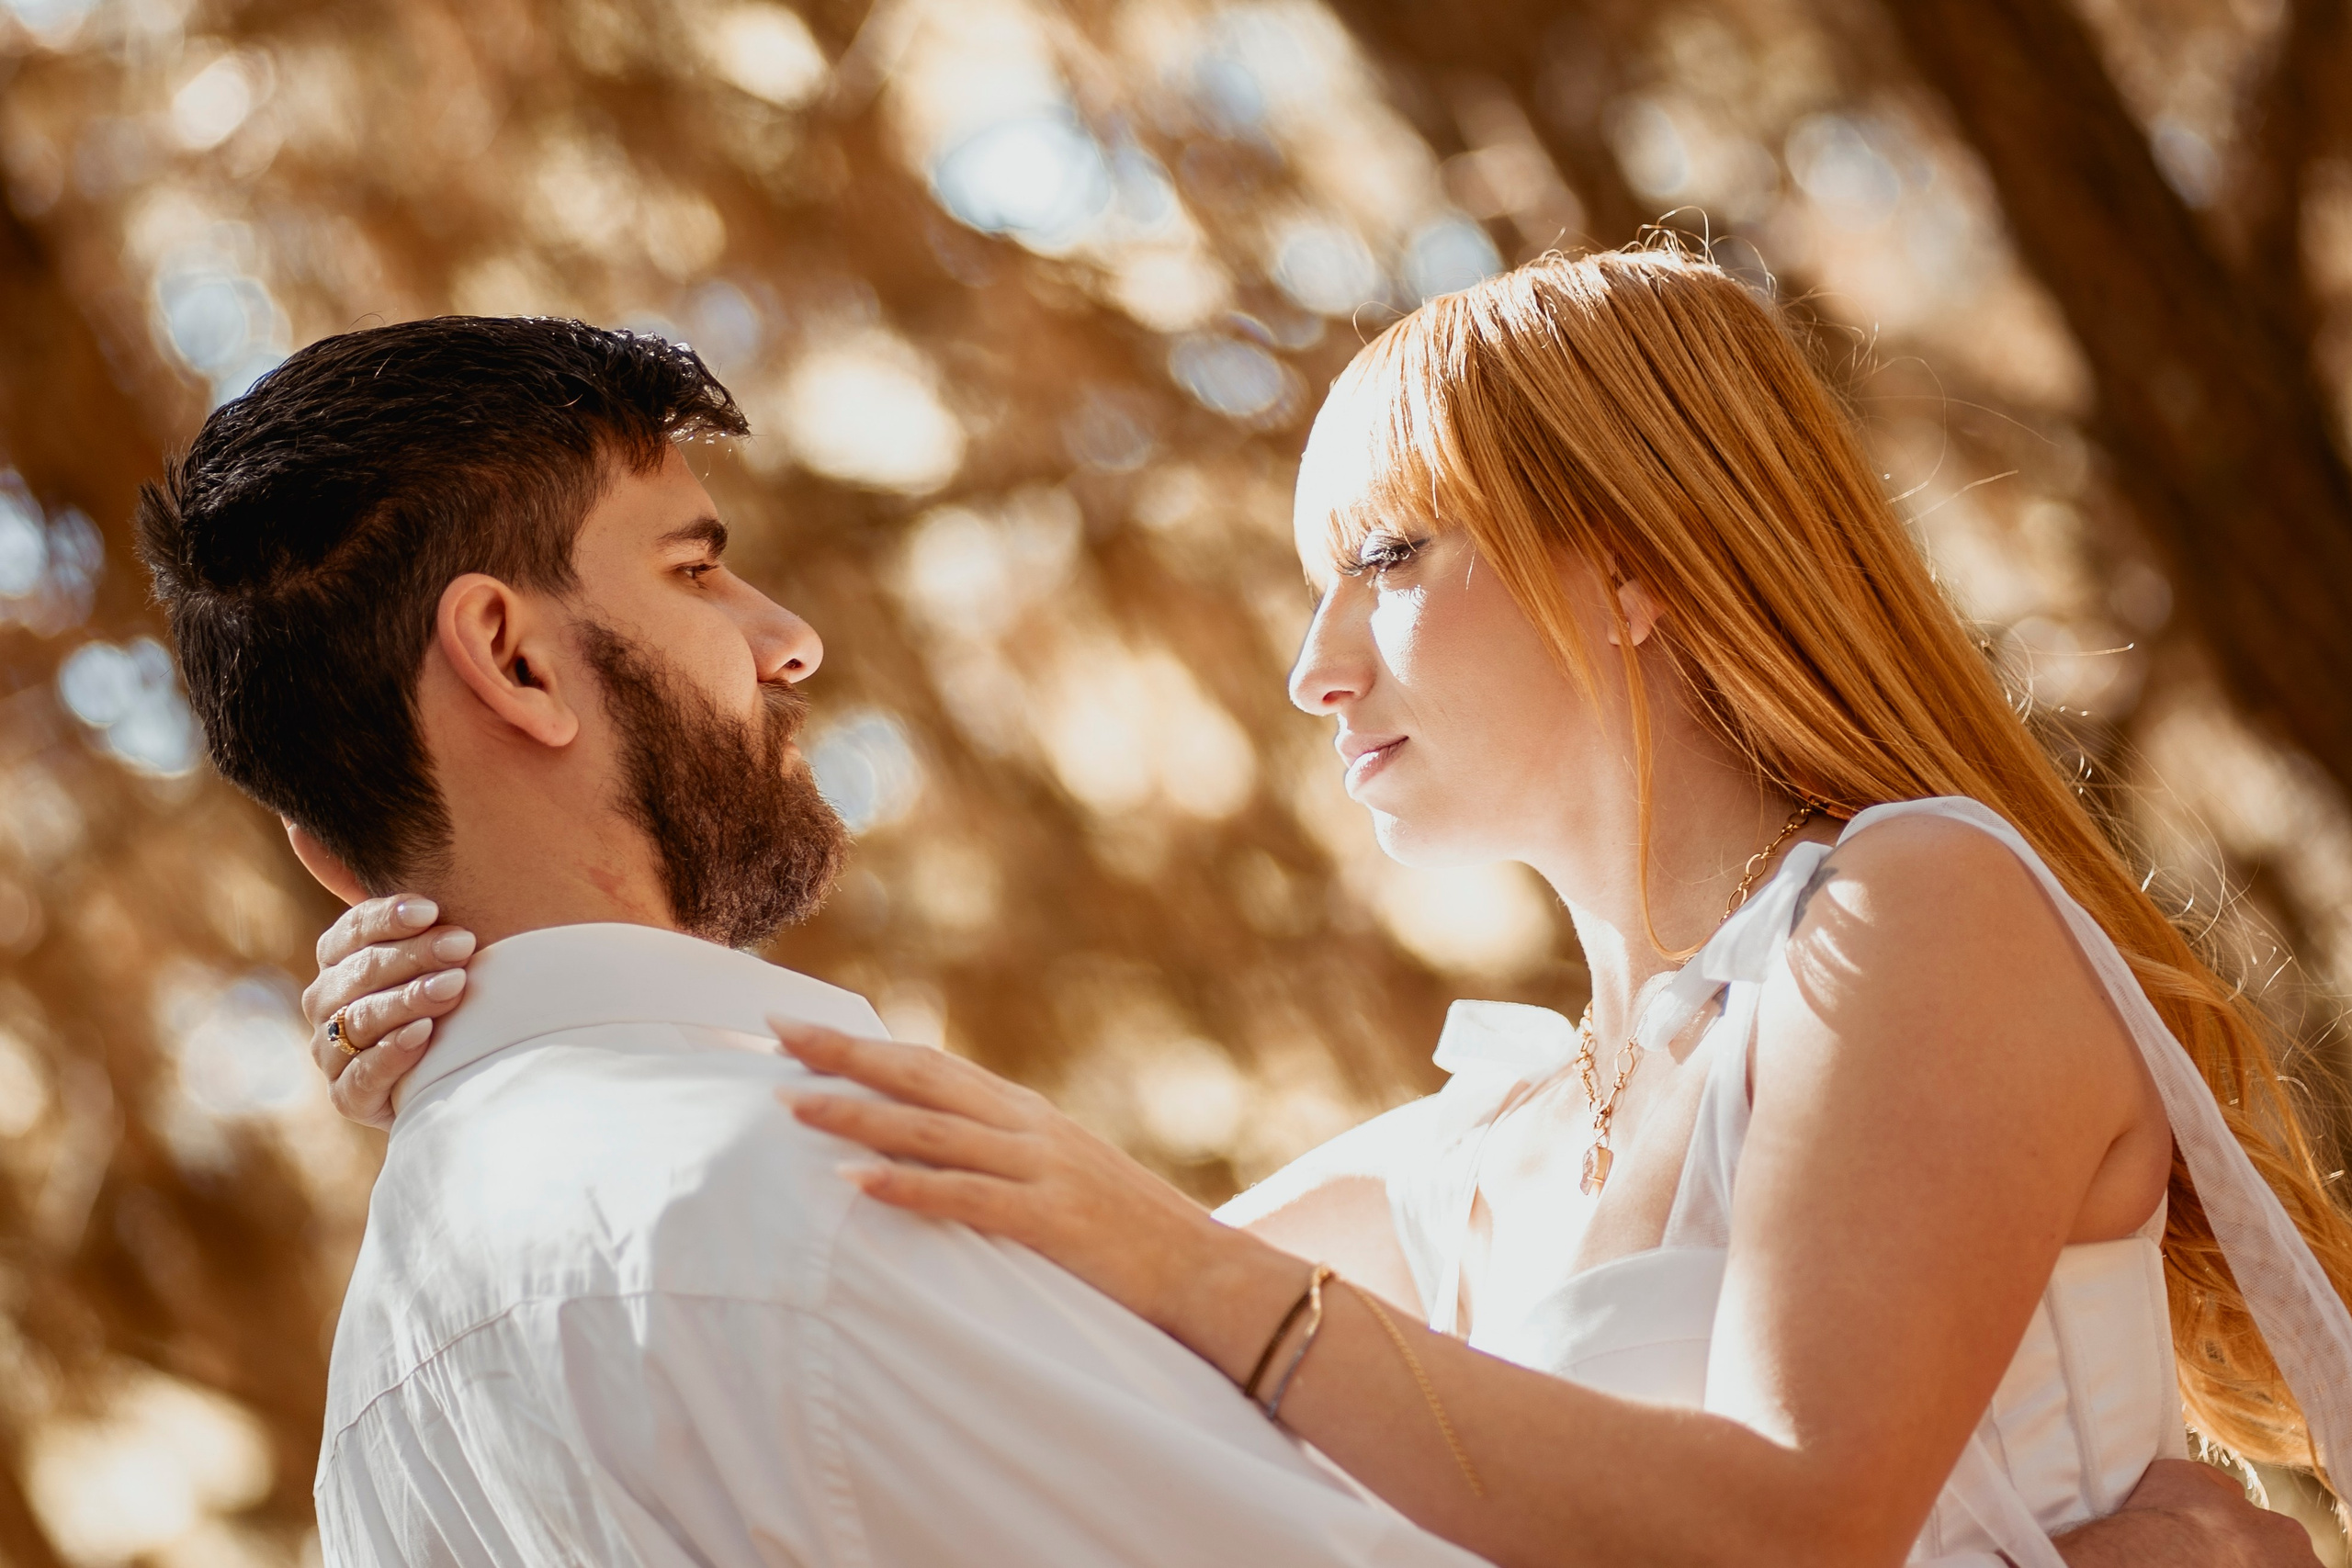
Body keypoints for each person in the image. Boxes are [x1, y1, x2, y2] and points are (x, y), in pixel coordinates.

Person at [288, 263, 2336, 1566]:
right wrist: (488, 1022)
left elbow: (1792, 1522)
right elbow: (962, 1291)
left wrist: (1183, 1248)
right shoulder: (1482, 1146)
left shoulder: (1913, 913)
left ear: (1632, 562)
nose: (1313, 665)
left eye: (1387, 555)